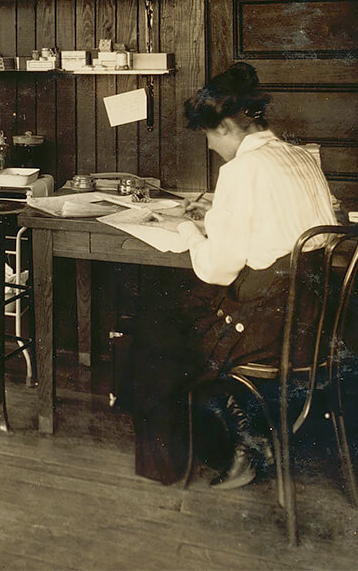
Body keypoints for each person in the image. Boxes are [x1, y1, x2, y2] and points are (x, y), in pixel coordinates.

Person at [127, 62, 337, 488]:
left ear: (223, 126)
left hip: (264, 328)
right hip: (310, 322)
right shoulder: (299, 155)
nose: (208, 146)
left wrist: (189, 229)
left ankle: (231, 440)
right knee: (175, 315)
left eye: (207, 135)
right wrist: (218, 214)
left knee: (155, 325)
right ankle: (243, 429)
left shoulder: (240, 171)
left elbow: (217, 268)